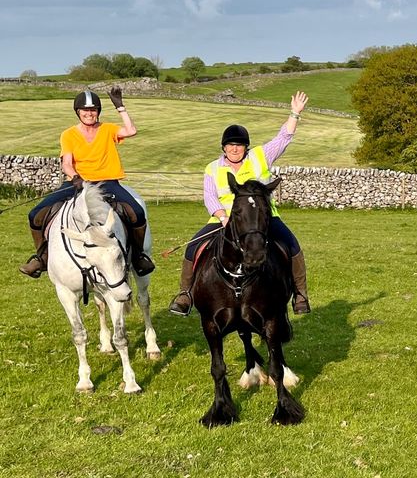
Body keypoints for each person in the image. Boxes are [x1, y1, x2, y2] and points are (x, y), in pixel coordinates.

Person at [169, 91, 311, 316]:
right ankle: (185, 293)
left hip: (263, 218)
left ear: (246, 147)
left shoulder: (260, 156)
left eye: (240, 145)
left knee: (292, 246)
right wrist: (223, 217)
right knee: (193, 247)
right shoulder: (212, 168)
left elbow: (282, 139)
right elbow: (210, 196)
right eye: (231, 145)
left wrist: (295, 113)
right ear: (223, 147)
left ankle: (300, 294)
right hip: (225, 219)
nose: (235, 149)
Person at [22, 88, 154, 279]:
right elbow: (66, 163)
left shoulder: (108, 129)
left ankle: (138, 257)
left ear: (98, 112)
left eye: (93, 110)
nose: (89, 113)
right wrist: (75, 177)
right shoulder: (68, 134)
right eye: (85, 110)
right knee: (35, 215)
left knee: (138, 213)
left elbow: (131, 130)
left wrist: (120, 107)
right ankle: (41, 257)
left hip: (107, 182)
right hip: (77, 182)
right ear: (78, 112)